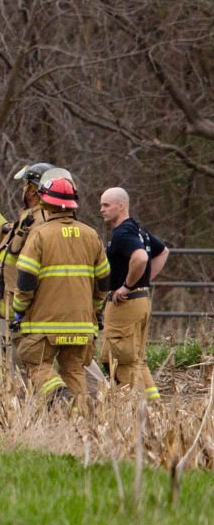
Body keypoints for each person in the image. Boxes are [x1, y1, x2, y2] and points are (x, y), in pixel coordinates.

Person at [10, 170, 110, 409]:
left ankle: (56, 393)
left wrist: (19, 310)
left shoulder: (39, 235)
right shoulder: (91, 235)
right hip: (82, 325)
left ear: (44, 203)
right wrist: (95, 312)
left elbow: (25, 279)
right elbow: (104, 281)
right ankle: (80, 421)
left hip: (44, 324)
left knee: (35, 363)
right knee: (74, 368)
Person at [99, 187, 169, 400]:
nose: (101, 209)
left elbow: (140, 258)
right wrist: (143, 281)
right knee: (136, 360)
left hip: (126, 304)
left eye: (106, 205)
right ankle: (153, 407)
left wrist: (128, 286)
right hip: (141, 300)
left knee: (117, 358)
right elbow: (163, 251)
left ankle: (131, 408)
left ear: (121, 206)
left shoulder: (123, 233)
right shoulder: (139, 230)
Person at [0, 162, 53, 319]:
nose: (23, 189)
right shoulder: (31, 217)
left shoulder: (42, 221)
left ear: (33, 191)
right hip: (21, 311)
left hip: (29, 313)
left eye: (25, 185)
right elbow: (10, 235)